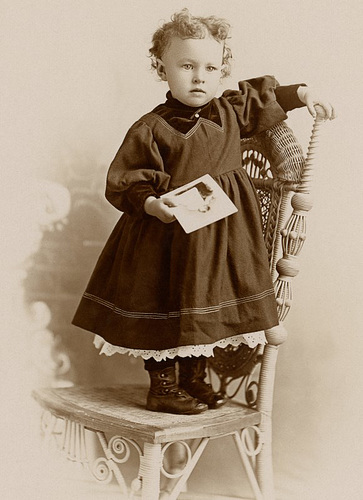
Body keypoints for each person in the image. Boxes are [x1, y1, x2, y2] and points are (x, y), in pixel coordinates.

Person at [72, 8, 335, 415]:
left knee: (206, 307)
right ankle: (162, 385)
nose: (199, 77)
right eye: (187, 66)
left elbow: (265, 96)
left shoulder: (230, 111)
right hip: (165, 238)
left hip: (223, 239)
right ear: (162, 69)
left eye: (211, 67)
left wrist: (303, 94)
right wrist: (153, 204)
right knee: (164, 302)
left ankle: (194, 377)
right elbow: (126, 180)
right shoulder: (151, 128)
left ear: (222, 71)